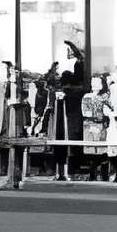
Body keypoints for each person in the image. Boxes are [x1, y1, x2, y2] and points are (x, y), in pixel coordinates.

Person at [42, 44, 86, 181]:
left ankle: (64, 171)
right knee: (69, 147)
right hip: (66, 124)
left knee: (67, 147)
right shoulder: (74, 91)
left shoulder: (68, 92)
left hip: (66, 124)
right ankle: (66, 171)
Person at [81, 74, 110, 182]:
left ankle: (104, 175)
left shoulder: (105, 96)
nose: (94, 84)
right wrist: (99, 115)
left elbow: (109, 111)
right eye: (93, 82)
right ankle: (92, 174)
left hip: (101, 126)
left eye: (97, 82)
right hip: (89, 126)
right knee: (91, 152)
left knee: (102, 151)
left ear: (102, 85)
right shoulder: (86, 96)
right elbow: (85, 112)